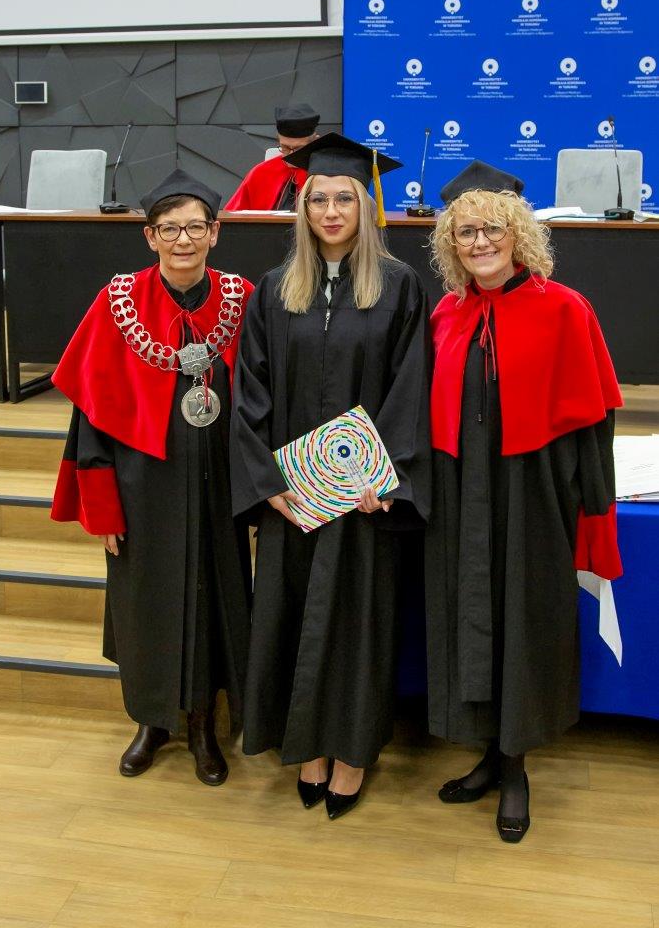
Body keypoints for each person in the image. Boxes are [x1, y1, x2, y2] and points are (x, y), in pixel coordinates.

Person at [230, 133, 431, 819]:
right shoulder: (274, 290)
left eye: (345, 198)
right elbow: (250, 390)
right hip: (294, 497)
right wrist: (267, 481)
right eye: (319, 200)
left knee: (357, 624)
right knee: (290, 616)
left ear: (365, 206)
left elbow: (411, 387)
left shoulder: (399, 287)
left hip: (363, 498)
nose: (332, 211)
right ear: (303, 207)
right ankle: (306, 750)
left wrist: (388, 475)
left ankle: (351, 754)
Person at [425, 160, 623, 842]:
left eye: (493, 229)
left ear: (519, 234)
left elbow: (595, 422)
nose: (480, 241)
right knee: (470, 616)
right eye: (466, 231)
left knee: (524, 620)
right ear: (451, 244)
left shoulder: (564, 307)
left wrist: (594, 511)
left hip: (533, 491)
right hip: (460, 491)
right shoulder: (447, 313)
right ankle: (488, 752)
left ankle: (516, 768)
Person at [50, 169, 254, 785]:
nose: (183, 240)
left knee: (212, 599)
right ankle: (150, 721)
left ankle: (203, 725)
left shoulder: (242, 300)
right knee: (143, 603)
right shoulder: (118, 303)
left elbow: (266, 399)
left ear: (215, 233)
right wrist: (102, 505)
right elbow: (89, 413)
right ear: (150, 236)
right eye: (170, 229)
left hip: (218, 485)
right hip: (141, 486)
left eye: (195, 227)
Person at [224, 103, 320, 211]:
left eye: (299, 149)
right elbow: (232, 215)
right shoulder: (260, 173)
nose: (291, 156)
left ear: (315, 142)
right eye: (285, 148)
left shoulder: (325, 172)